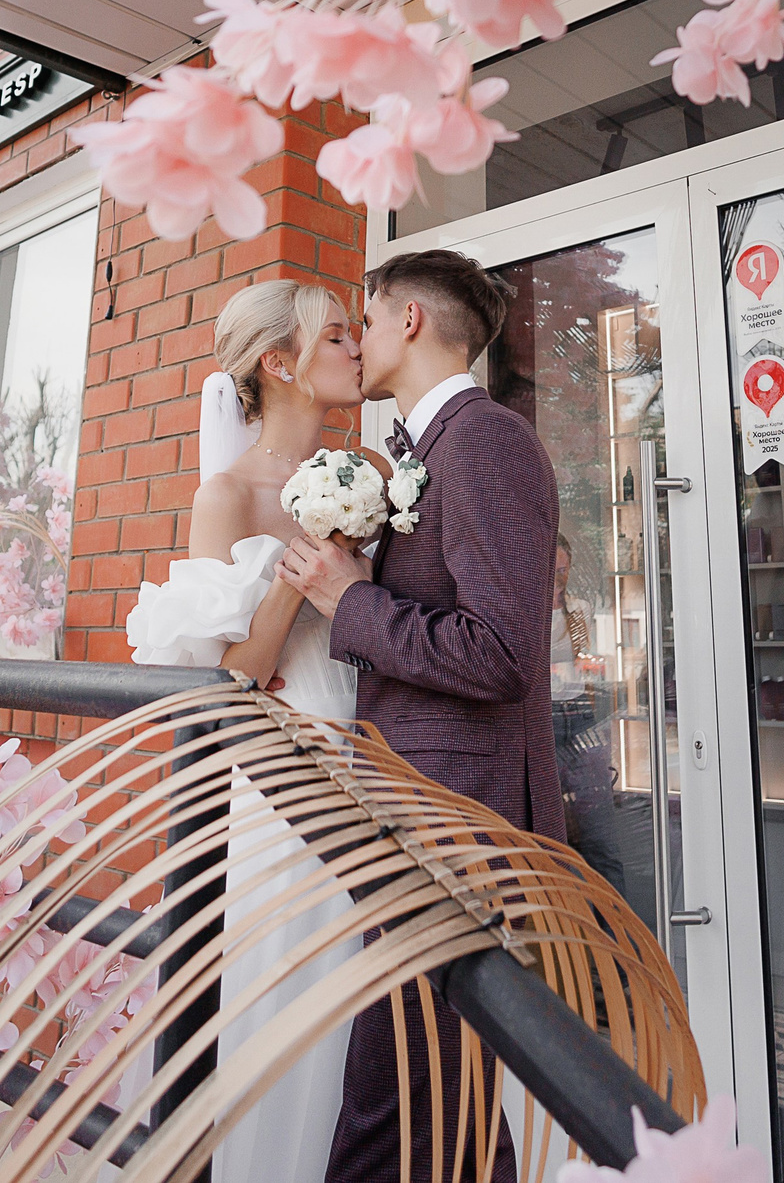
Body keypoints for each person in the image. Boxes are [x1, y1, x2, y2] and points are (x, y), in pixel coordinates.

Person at [277, 249, 561, 1183]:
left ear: (408, 321)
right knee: (443, 1102)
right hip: (417, 813)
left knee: (393, 1102)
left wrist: (349, 602)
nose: (354, 336)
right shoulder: (419, 452)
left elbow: (502, 652)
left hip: (457, 824)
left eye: (364, 313)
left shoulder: (482, 442)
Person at [125, 279, 370, 1183]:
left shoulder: (375, 476)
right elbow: (228, 678)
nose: (356, 347)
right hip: (287, 760)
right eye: (337, 335)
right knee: (304, 973)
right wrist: (293, 578)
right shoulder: (225, 496)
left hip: (385, 749)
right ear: (279, 363)